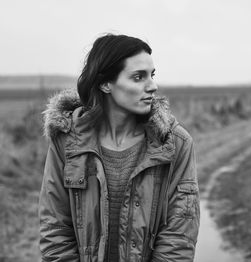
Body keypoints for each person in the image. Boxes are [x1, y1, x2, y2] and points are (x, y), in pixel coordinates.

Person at [39, 34, 200, 262]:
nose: (152, 86)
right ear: (105, 83)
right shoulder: (67, 141)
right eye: (138, 77)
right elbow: (54, 227)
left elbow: (179, 236)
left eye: (151, 75)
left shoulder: (173, 143)